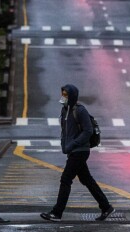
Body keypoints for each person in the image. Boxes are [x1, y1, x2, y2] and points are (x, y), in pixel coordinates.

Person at [41, 84, 114, 222]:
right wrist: (65, 147)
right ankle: (106, 207)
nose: (63, 97)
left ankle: (57, 213)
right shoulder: (64, 111)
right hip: (72, 151)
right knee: (87, 180)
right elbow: (65, 132)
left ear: (72, 96)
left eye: (66, 95)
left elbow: (88, 131)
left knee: (65, 179)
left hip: (80, 151)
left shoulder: (80, 111)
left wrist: (74, 144)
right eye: (62, 94)